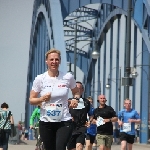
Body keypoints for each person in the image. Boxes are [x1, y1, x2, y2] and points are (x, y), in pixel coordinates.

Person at [29, 48, 80, 150]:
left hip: (64, 120)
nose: (54, 62)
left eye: (56, 59)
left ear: (60, 61)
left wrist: (76, 99)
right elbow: (31, 100)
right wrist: (41, 99)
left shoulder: (68, 77)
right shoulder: (40, 79)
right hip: (46, 122)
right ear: (46, 61)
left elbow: (76, 92)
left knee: (60, 147)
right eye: (51, 60)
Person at [67, 81, 91, 150]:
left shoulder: (86, 102)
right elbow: (63, 114)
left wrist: (89, 121)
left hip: (82, 127)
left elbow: (91, 114)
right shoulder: (68, 101)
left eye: (79, 88)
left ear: (82, 90)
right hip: (70, 128)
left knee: (79, 147)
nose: (77, 90)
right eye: (75, 89)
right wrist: (69, 118)